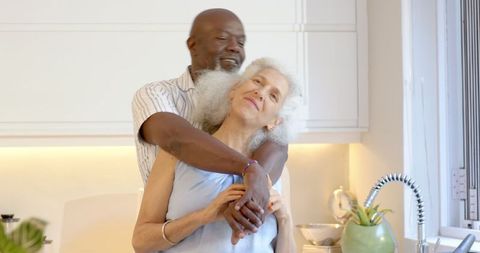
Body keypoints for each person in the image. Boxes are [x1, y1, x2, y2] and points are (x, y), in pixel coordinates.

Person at [132, 8, 288, 241]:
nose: (235, 47)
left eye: (241, 42)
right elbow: (176, 139)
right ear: (192, 45)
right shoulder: (156, 93)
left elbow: (279, 144)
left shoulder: (248, 99)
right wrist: (250, 170)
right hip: (169, 228)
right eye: (222, 38)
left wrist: (247, 198)